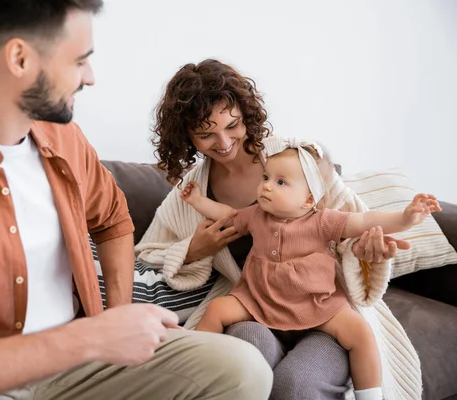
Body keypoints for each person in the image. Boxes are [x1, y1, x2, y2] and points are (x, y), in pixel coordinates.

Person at [0, 2, 274, 400]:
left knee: (242, 371)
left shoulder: (63, 137)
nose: (89, 76)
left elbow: (112, 219)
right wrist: (85, 339)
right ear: (20, 59)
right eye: (78, 60)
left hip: (82, 366)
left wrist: (117, 319)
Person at [135, 59, 422, 400]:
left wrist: (366, 250)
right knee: (241, 364)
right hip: (255, 306)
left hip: (320, 304)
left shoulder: (296, 159)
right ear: (187, 136)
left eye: (233, 125)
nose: (224, 142)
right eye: (206, 134)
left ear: (246, 113)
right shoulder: (189, 193)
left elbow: (353, 222)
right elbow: (146, 256)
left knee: (293, 384)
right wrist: (194, 249)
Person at [180, 136, 441, 400]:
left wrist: (405, 218)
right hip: (259, 300)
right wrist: (198, 201)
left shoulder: (324, 222)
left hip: (317, 304)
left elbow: (366, 219)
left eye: (280, 182)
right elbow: (228, 216)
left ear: (308, 200)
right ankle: (194, 370)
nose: (267, 187)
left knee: (361, 333)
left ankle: (371, 396)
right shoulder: (256, 215)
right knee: (217, 309)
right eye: (266, 178)